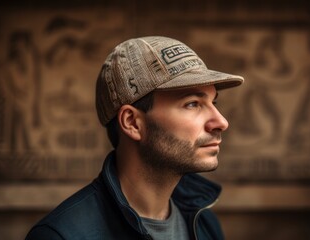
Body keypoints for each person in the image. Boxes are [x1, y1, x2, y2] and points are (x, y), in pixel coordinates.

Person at [25, 36, 244, 240]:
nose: (221, 122)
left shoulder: (204, 223)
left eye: (213, 103)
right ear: (132, 122)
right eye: (192, 104)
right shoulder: (62, 235)